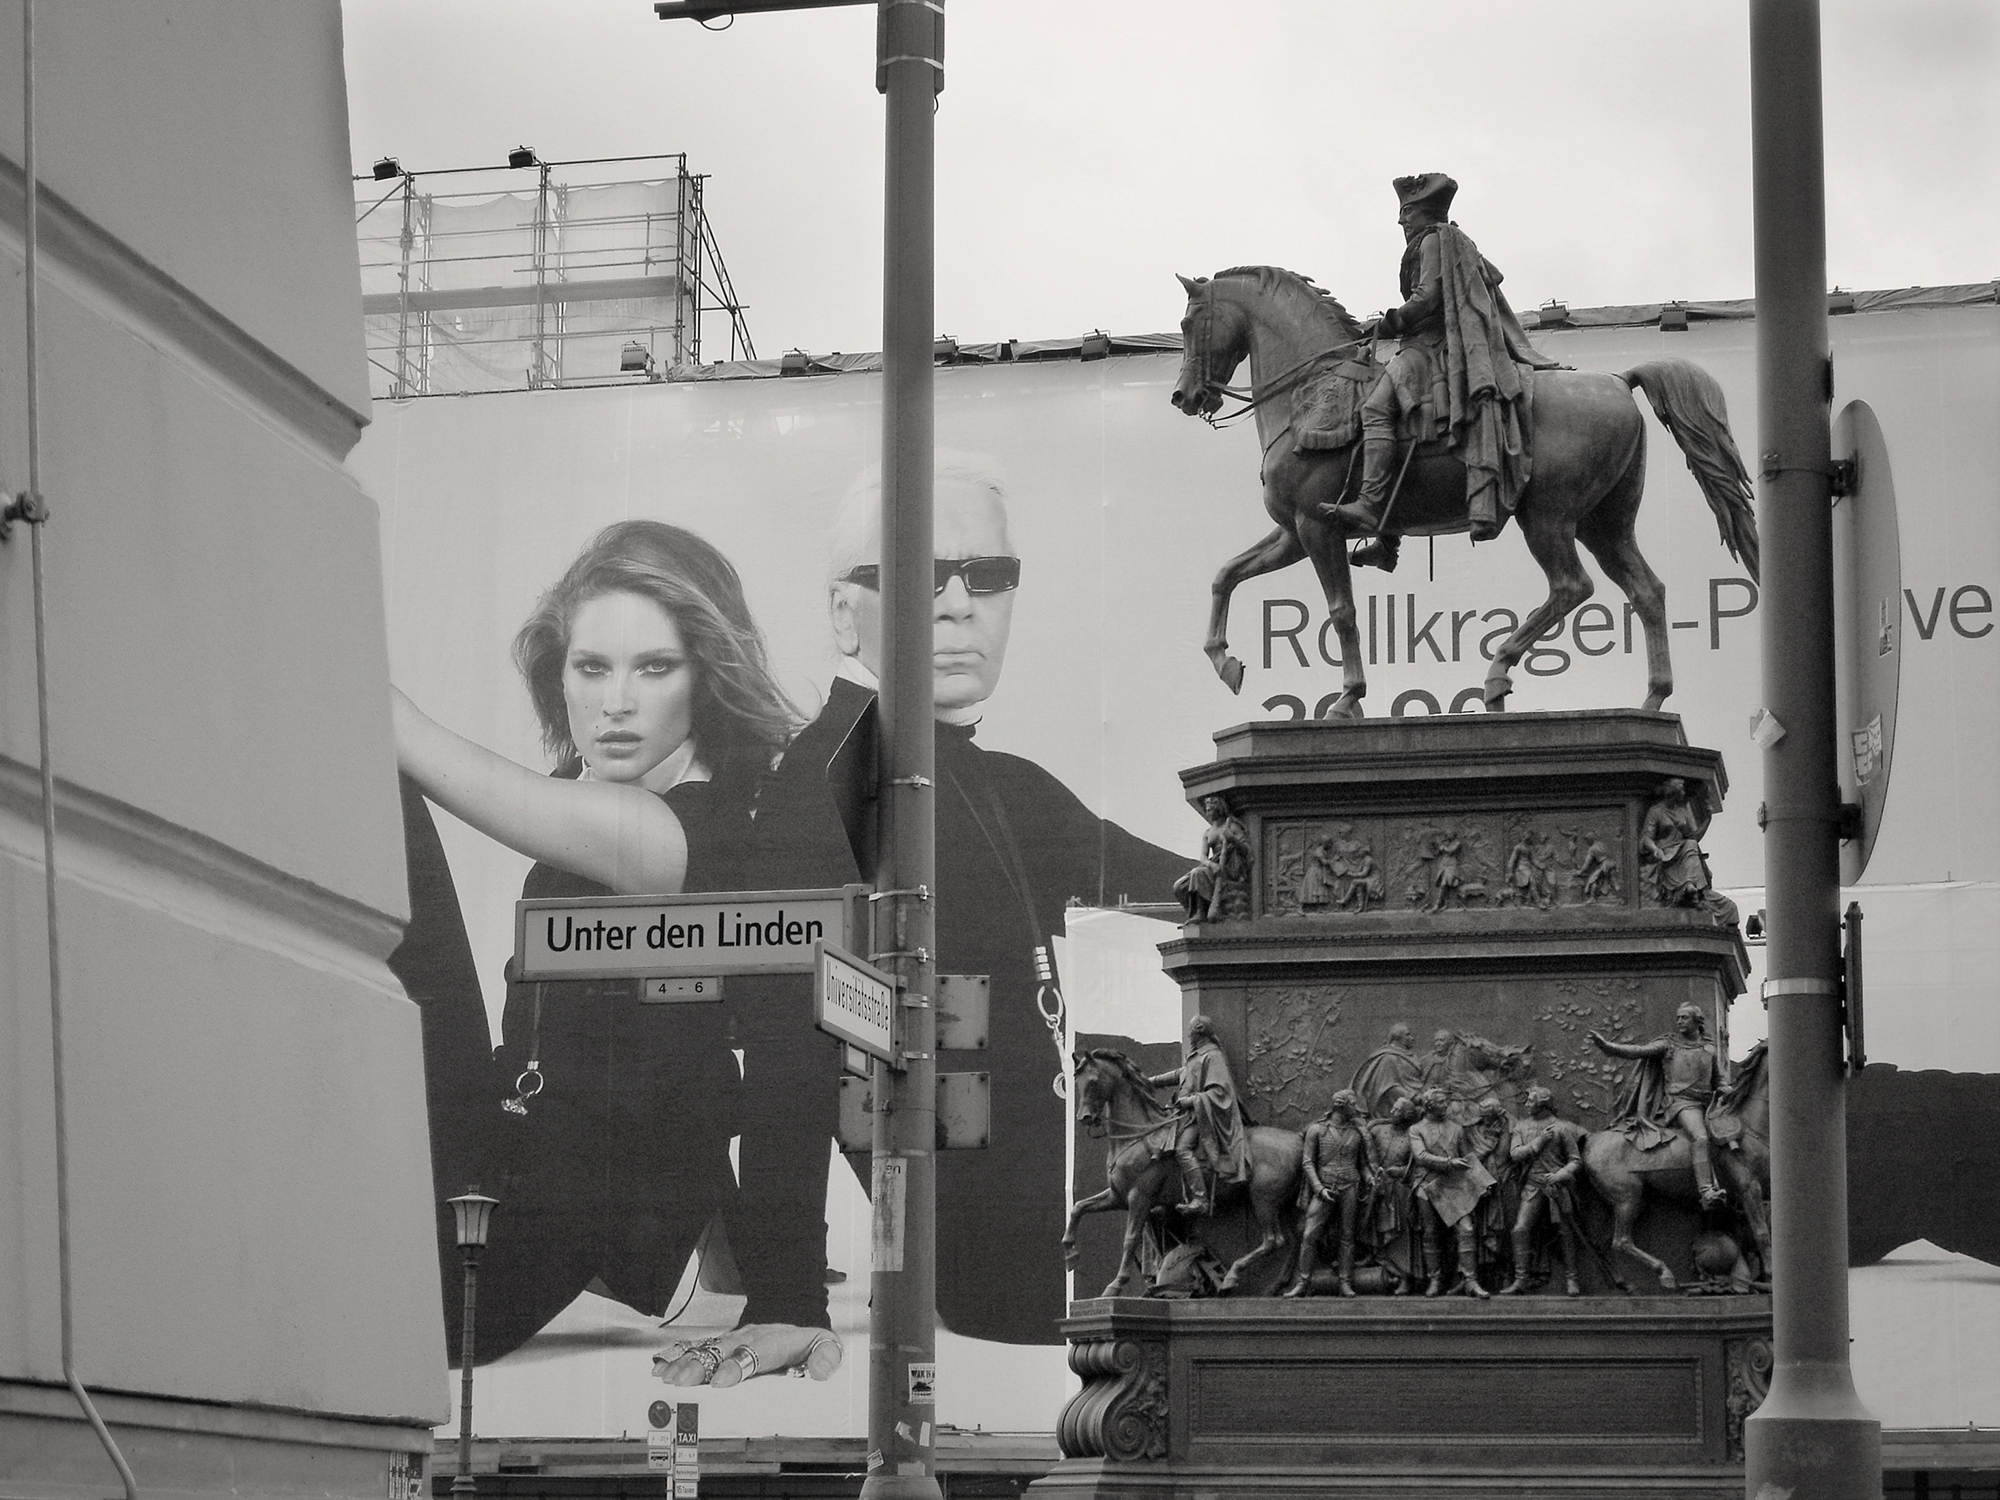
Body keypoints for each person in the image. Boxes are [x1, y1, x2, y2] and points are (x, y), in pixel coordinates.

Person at [749, 458, 1189, 1345]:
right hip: (1001, 1255)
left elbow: (1180, 880)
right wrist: (784, 1296)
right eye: (917, 574)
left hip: (1056, 1213)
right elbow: (786, 1049)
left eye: (986, 577)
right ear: (845, 612)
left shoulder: (995, 783)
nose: (957, 605)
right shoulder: (832, 778)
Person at [392, 520, 838, 1382]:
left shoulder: (723, 830)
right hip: (503, 1145)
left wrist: (787, 1293)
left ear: (707, 675)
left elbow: (793, 1074)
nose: (616, 702)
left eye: (654, 667)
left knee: (379, 775)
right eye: (591, 667)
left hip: (577, 1209)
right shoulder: (584, 802)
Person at [1323, 172, 1558, 570]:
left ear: (1424, 212)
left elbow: (1428, 296)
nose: (1401, 221)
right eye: (1401, 213)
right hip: (1428, 343)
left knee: (1375, 410)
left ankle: (1369, 507)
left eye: (1406, 212)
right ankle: (1387, 539)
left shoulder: (1432, 240)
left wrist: (1390, 322)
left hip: (1432, 347)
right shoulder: (1440, 240)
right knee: (1396, 422)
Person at [1590, 1002, 1729, 1208]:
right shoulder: (1669, 1045)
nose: (1679, 1021)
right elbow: (1638, 1051)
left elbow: (1718, 1081)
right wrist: (1608, 1047)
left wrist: (1726, 1088)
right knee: (1700, 1137)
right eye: (1678, 1018)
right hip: (1681, 1103)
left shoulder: (1709, 1048)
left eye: (1684, 1017)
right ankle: (1706, 1191)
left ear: (1697, 1021)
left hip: (1708, 1103)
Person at [1149, 1015, 1252, 1216]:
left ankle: (1200, 1199)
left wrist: (1192, 1100)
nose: (1187, 1035)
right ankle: (1166, 1196)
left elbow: (1221, 1092)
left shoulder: (1213, 1056)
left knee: (1182, 1149)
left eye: (1190, 1031)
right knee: (1158, 1144)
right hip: (1183, 1114)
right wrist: (1151, 1081)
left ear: (1199, 1032)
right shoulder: (1197, 1055)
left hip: (1202, 1116)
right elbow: (1182, 1073)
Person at [1284, 1089, 1376, 1298]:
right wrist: (1319, 1188)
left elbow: (1361, 1164)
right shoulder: (1317, 1130)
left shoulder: (1356, 1133)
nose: (1357, 1108)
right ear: (1340, 1105)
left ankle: (1345, 1281)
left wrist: (1369, 1176)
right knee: (1309, 1235)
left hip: (1350, 1186)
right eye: (1353, 1104)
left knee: (1348, 1236)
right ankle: (1303, 1282)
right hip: (1324, 1187)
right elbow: (1308, 1162)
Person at [1408, 1088, 1493, 1297]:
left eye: (1446, 1101)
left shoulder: (1456, 1129)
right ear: (1429, 1105)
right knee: (1430, 1233)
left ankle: (1471, 1281)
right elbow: (1420, 1156)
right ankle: (1434, 1280)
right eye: (1441, 1102)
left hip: (1454, 1186)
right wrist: (1449, 1162)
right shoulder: (1416, 1129)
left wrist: (1482, 1182)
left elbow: (1468, 1158)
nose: (1446, 1105)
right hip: (1427, 1185)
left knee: (1467, 1229)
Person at [1500, 1085, 1584, 1297]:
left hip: (1557, 1186)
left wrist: (1560, 1175)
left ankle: (1572, 1278)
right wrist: (1538, 1142)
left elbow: (1575, 1161)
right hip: (1533, 1185)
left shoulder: (1562, 1127)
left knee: (1565, 1230)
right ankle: (1521, 1280)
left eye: (1530, 1101)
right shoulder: (1522, 1126)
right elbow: (1515, 1154)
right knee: (1520, 1229)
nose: (1527, 1104)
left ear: (1542, 1103)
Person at [1176, 795, 1250, 921]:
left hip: (1229, 867)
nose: (1208, 812)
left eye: (1211, 809)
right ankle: (1193, 911)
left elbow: (1247, 850)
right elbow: (1203, 857)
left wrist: (1231, 837)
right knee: (1179, 886)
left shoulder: (1232, 827)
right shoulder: (1208, 832)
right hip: (1212, 866)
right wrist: (1211, 865)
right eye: (1207, 809)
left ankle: (1201, 912)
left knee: (1198, 873)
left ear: (1219, 809)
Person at [1350, 1022, 1423, 1120]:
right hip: (1399, 1108)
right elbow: (1389, 1088)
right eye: (1407, 1035)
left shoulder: (1411, 1056)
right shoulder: (1388, 1058)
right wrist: (1414, 1097)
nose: (1412, 1038)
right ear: (1398, 1038)